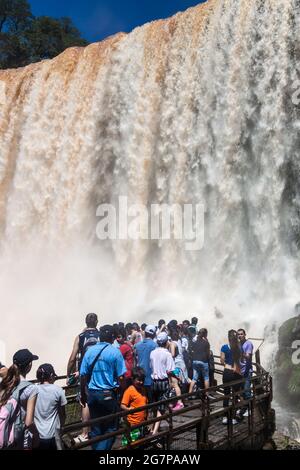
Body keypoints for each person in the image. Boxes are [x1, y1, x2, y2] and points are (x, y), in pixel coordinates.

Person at [80, 324, 126, 450]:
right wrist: (122, 391)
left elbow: (83, 376)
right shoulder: (115, 352)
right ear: (112, 338)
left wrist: (83, 394)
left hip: (92, 394)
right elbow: (121, 377)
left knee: (95, 428)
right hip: (108, 394)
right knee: (110, 428)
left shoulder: (90, 351)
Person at [66, 313, 100, 443]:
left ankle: (85, 433)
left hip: (85, 373)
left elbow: (73, 357)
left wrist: (69, 374)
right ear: (97, 322)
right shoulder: (101, 335)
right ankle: (99, 429)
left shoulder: (80, 337)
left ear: (85, 322)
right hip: (100, 372)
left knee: (85, 402)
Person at [0, 349, 39, 449]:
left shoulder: (6, 381)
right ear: (29, 365)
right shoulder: (31, 388)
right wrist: (37, 435)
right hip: (17, 440)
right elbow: (28, 422)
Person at [34, 364, 67, 450]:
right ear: (51, 376)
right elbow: (63, 414)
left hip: (37, 435)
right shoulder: (58, 390)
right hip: (53, 435)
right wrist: (61, 427)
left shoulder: (33, 390)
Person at [150, 332, 175, 436]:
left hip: (154, 382)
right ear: (166, 342)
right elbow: (170, 371)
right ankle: (155, 431)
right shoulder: (167, 354)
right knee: (161, 407)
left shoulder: (152, 353)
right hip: (163, 382)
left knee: (155, 406)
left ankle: (152, 427)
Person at [220, 330, 243, 425]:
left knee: (226, 394)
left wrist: (227, 364)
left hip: (227, 372)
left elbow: (221, 361)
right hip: (236, 373)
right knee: (235, 395)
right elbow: (239, 361)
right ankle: (234, 416)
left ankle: (225, 417)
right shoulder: (239, 348)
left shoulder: (224, 347)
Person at [121, 367, 148, 446]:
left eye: (142, 380)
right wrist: (128, 409)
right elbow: (122, 405)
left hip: (142, 423)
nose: (141, 382)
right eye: (138, 380)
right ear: (133, 379)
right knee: (131, 445)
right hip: (132, 424)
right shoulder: (129, 391)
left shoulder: (143, 390)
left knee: (140, 444)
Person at [135, 325, 157, 402]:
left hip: (140, 375)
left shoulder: (137, 345)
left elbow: (135, 360)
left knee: (142, 400)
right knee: (152, 400)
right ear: (154, 334)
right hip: (151, 375)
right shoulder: (155, 345)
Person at [188, 328, 210, 395]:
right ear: (205, 334)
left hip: (195, 361)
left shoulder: (195, 342)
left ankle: (189, 394)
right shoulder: (206, 343)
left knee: (194, 378)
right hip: (203, 361)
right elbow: (208, 353)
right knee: (206, 377)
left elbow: (191, 350)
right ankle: (207, 394)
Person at [237, 329, 254, 417]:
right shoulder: (239, 344)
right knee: (242, 392)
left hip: (247, 371)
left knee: (247, 391)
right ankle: (244, 408)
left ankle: (250, 409)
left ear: (245, 334)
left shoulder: (248, 344)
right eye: (238, 334)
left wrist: (240, 352)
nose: (240, 336)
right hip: (240, 371)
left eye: (241, 334)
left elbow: (248, 357)